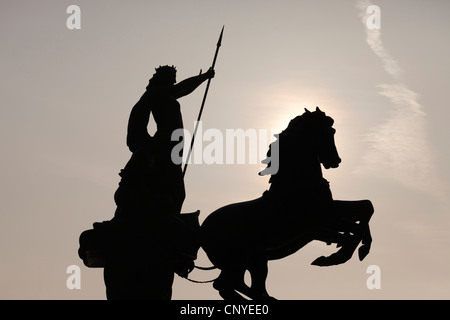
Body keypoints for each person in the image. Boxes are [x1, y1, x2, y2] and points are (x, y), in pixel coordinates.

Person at [103, 65, 214, 300]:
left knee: (179, 193)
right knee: (173, 192)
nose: (173, 81)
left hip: (171, 149)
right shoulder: (159, 93)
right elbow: (182, 89)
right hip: (163, 147)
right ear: (162, 79)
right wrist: (203, 77)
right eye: (170, 78)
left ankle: (173, 232)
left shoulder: (159, 93)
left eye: (173, 78)